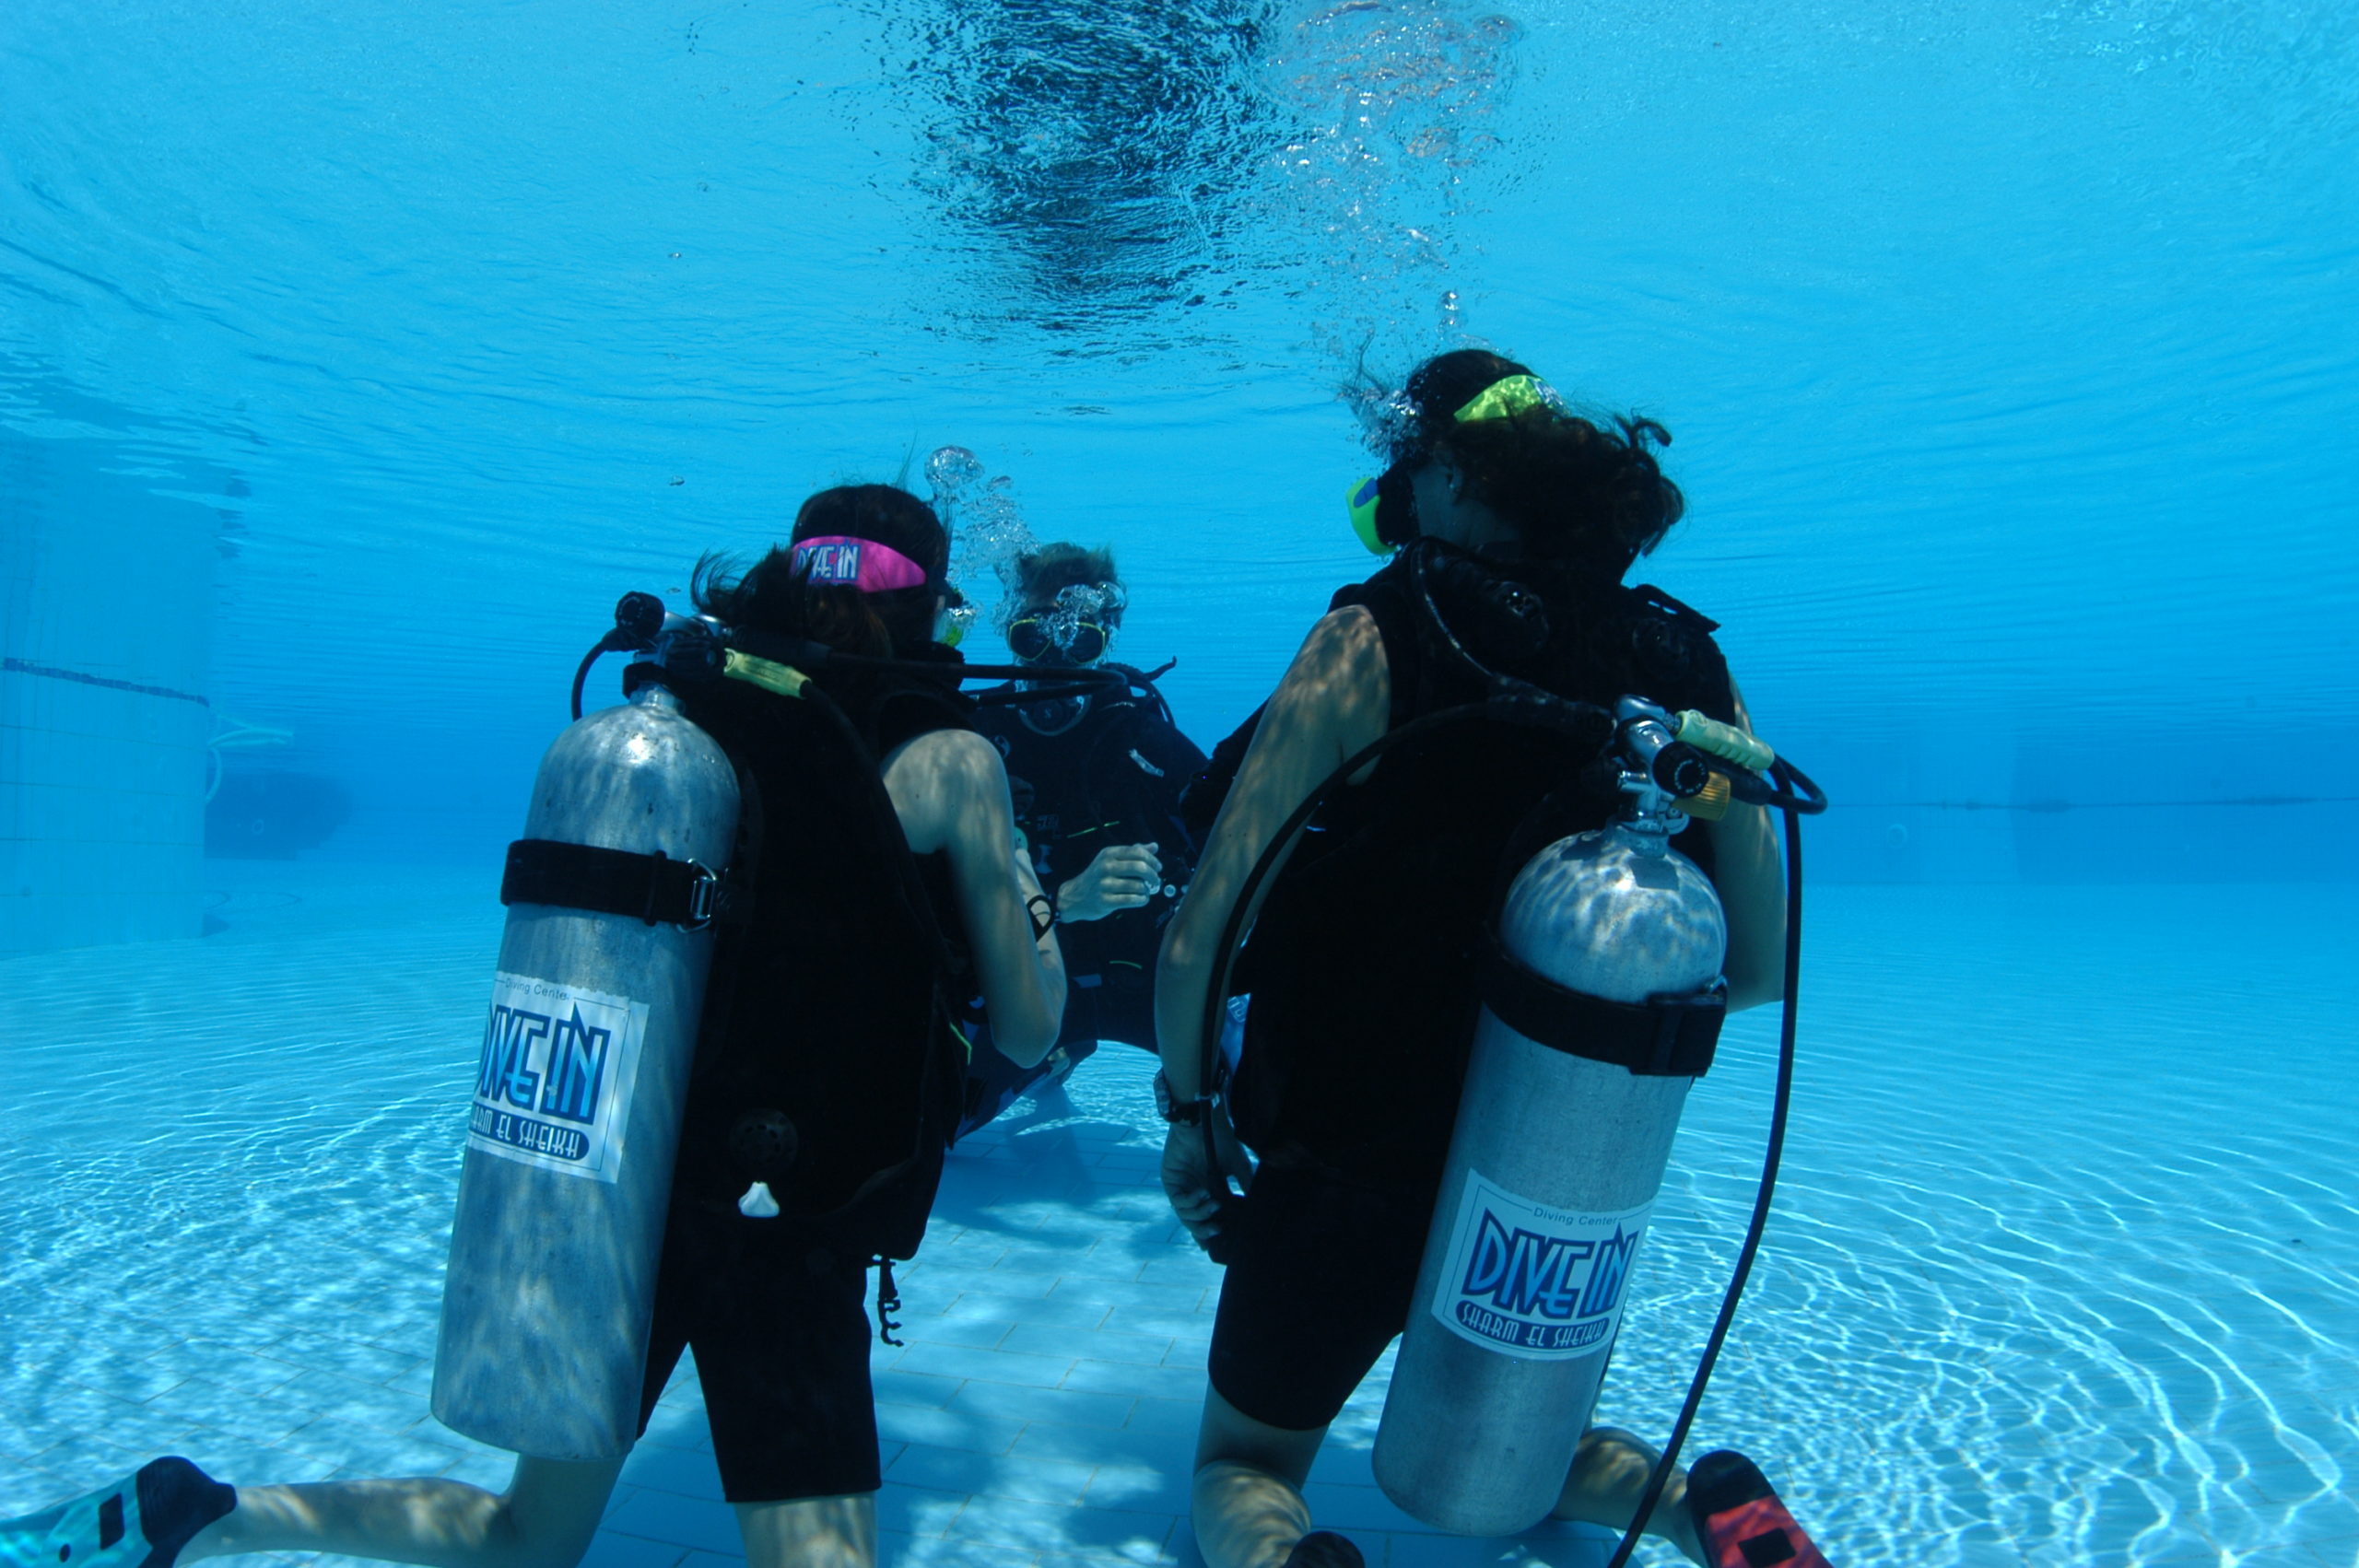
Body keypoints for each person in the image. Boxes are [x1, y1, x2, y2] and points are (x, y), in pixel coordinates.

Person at [1, 486, 1066, 1568]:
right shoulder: (949, 762)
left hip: (621, 1183)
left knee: (529, 1533)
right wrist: (1029, 886)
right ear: (930, 608)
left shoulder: (686, 711)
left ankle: (212, 1513)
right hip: (782, 1220)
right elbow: (1030, 1031)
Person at [1153, 351, 1825, 1568]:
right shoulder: (1685, 665)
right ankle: (1705, 1507)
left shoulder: (1375, 633)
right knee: (1532, 1454)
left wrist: (1193, 1118)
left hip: (1352, 1152)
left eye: (1407, 465)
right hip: (1556, 1165)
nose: (1398, 495)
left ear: (1454, 473)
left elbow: (1205, 931)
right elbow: (1763, 968)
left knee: (1243, 1465)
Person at [957, 543, 1208, 1136]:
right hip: (1030, 992)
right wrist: (1062, 902)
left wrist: (1180, 895)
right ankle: (1060, 1053)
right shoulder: (973, 745)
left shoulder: (1143, 742)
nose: (1054, 658)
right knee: (942, 1120)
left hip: (1146, 988)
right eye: (1031, 636)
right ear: (1010, 633)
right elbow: (936, 906)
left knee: (1250, 1094)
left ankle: (1074, 1050)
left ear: (1106, 640)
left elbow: (1235, 855)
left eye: (1079, 640)